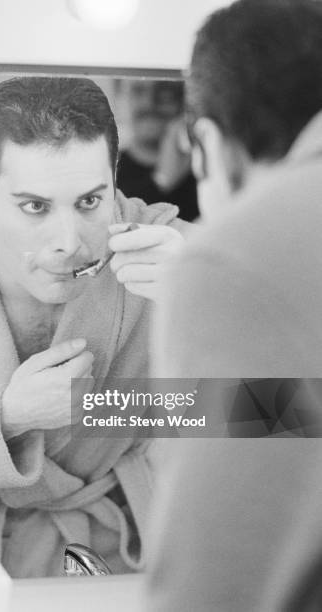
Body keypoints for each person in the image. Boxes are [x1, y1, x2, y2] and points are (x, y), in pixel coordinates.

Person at [0, 76, 188, 578]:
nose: (69, 241)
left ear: (115, 177)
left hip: (128, 560)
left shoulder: (185, 258)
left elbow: (285, 411)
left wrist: (213, 305)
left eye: (91, 202)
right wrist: (3, 417)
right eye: (35, 206)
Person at [146, 0, 322, 610]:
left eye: (89, 200)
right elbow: (297, 414)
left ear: (208, 143)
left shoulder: (233, 255)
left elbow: (220, 575)